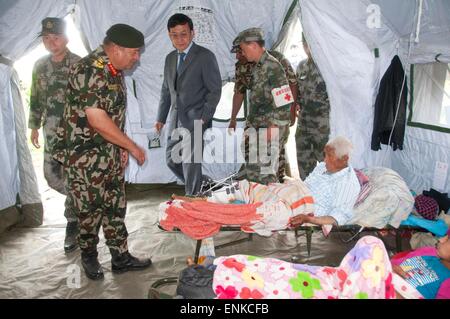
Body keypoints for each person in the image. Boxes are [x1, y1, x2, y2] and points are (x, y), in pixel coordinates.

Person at [53, 24, 151, 280]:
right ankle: (89, 256)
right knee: (88, 211)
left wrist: (118, 146)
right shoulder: (89, 70)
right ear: (116, 49)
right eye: (134, 52)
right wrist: (131, 146)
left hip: (106, 153)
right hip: (84, 158)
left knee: (115, 206)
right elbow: (97, 119)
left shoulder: (112, 69)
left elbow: (113, 115)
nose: (136, 57)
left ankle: (120, 257)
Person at [28, 17, 81, 253]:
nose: (51, 42)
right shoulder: (39, 66)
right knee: (51, 177)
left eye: (55, 37)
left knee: (72, 176)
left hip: (74, 134)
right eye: (47, 38)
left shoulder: (79, 64)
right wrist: (34, 126)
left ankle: (73, 222)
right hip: (51, 133)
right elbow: (36, 99)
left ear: (66, 38)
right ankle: (82, 201)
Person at [155, 13, 222, 196]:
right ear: (169, 35)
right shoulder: (170, 58)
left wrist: (204, 117)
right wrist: (161, 118)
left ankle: (192, 201)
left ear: (192, 33)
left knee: (190, 162)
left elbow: (214, 90)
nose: (180, 39)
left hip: (197, 119)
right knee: (171, 160)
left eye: (183, 34)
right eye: (174, 35)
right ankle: (204, 186)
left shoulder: (205, 56)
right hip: (175, 119)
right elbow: (166, 90)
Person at [228, 35, 298, 182]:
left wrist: (288, 115)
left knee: (269, 164)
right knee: (252, 158)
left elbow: (289, 88)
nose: (238, 55)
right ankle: (257, 189)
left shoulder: (274, 63)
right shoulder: (246, 66)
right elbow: (239, 92)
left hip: (272, 122)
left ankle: (275, 188)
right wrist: (233, 118)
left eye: (240, 51)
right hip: (256, 121)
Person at [289, 136, 360, 227]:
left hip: (305, 215)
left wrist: (308, 219)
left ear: (344, 158)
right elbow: (304, 186)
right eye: (325, 154)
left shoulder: (348, 185)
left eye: (329, 156)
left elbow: (336, 218)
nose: (325, 160)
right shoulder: (322, 167)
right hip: (294, 200)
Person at [295, 33, 331, 180]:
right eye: (304, 43)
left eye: (309, 43)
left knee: (327, 163)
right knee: (304, 162)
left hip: (322, 125)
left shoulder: (327, 66)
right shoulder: (301, 66)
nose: (306, 47)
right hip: (304, 123)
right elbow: (298, 91)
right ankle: (308, 192)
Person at [391, 234, 450, 299]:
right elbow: (393, 263)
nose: (440, 239)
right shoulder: (428, 252)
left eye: (448, 239)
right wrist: (391, 267)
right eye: (445, 236)